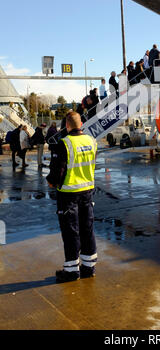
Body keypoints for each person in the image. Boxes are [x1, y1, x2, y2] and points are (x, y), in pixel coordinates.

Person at [46, 111, 98, 283]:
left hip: (68, 194)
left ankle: (71, 271)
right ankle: (89, 267)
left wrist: (52, 183)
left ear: (67, 126)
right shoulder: (92, 141)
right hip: (87, 192)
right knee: (87, 229)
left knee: (71, 232)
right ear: (81, 124)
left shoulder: (64, 144)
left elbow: (57, 172)